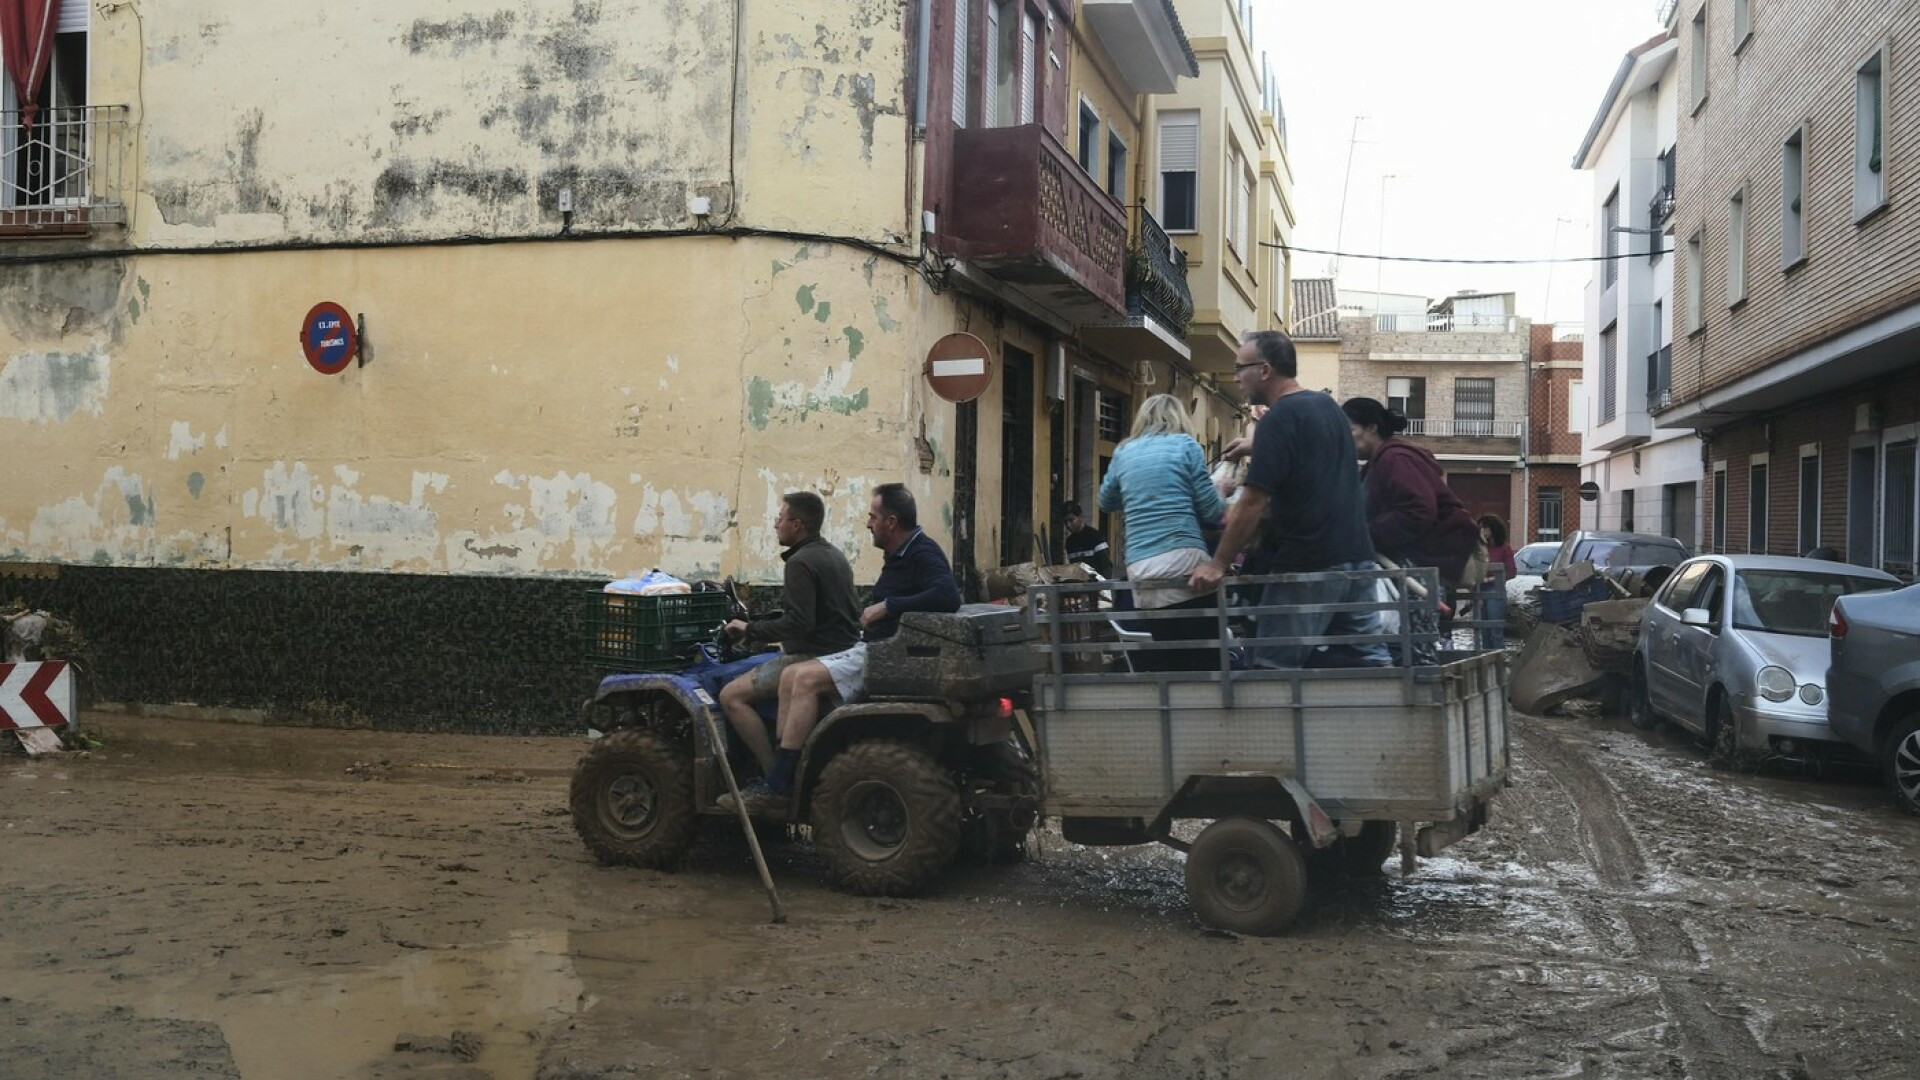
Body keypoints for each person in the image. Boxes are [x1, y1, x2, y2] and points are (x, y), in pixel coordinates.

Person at [720, 483, 961, 812]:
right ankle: (785, 773)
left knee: (799, 679)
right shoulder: (884, 553)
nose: (868, 523)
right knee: (791, 676)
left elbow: (948, 595)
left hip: (884, 653)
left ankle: (776, 785)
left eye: (872, 517)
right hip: (871, 645)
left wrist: (888, 606)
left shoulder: (921, 551)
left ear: (891, 522)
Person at [1189, 331, 1389, 669]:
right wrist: (1255, 446)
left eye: (1240, 368)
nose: (1236, 377)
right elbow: (1309, 452)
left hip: (1308, 566)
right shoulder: (1328, 408)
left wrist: (1218, 563)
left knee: (1273, 668)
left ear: (1265, 370)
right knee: (1369, 664)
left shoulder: (1277, 418)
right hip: (1357, 559)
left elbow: (1252, 501)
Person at [716, 492, 860, 795]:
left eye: (780, 519)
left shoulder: (800, 561)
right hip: (842, 650)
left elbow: (799, 623)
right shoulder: (834, 555)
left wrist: (749, 629)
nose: (775, 524)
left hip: (813, 655)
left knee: (730, 695)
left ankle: (772, 781)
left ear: (797, 525)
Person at [1098, 394, 1228, 671]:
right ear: (1179, 418)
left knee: (1170, 659)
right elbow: (1212, 511)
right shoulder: (1186, 446)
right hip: (1185, 562)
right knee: (1207, 659)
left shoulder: (1123, 452)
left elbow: (1105, 501)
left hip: (1142, 569)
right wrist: (1221, 490)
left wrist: (1136, 494)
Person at [1342, 397, 1486, 601]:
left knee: (1409, 622)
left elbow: (1418, 509)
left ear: (1372, 428)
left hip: (1420, 566)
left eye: (1350, 430)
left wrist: (1367, 534)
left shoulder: (1395, 460)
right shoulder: (1375, 466)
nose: (1345, 438)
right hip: (1411, 566)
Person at [1477, 514, 1517, 648]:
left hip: (1495, 589)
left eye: (1484, 528)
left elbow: (1511, 571)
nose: (1482, 531)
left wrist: (1493, 578)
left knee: (1495, 630)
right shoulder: (1480, 548)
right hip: (1480, 589)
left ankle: (1498, 656)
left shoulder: (1504, 548)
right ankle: (1485, 656)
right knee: (1484, 631)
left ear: (1492, 529)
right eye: (1480, 528)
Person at [1059, 500, 1112, 577]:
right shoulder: (1069, 542)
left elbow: (1107, 567)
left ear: (1080, 517)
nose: (1068, 525)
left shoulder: (1096, 537)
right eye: (1065, 521)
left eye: (1071, 520)